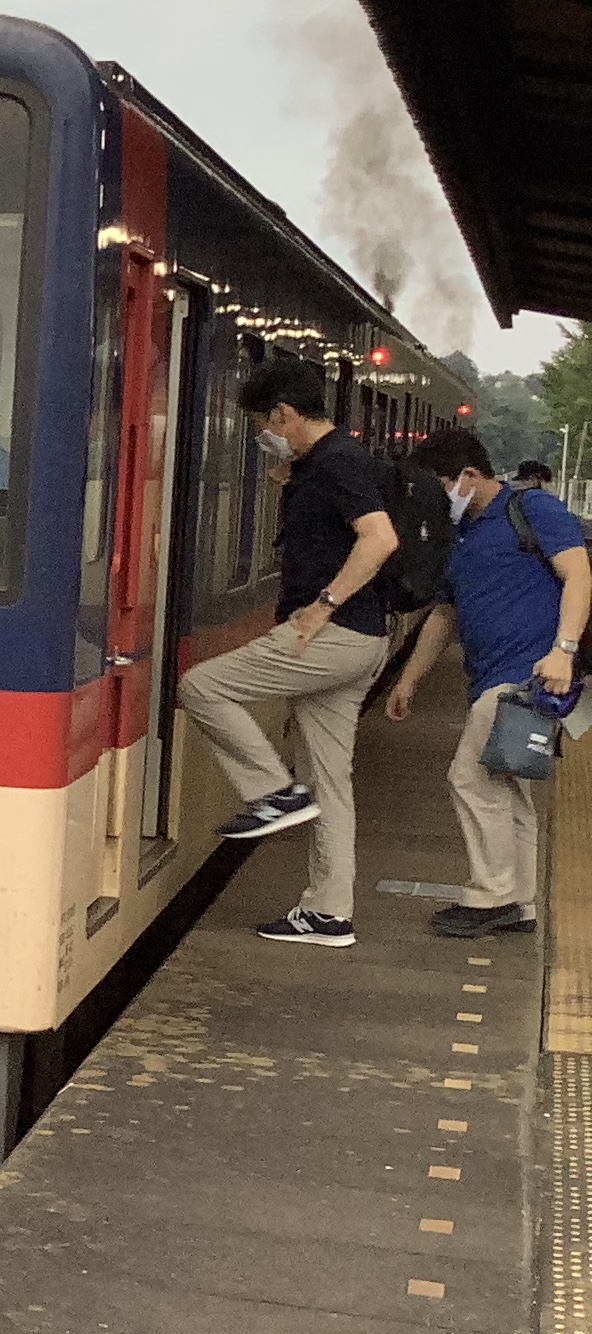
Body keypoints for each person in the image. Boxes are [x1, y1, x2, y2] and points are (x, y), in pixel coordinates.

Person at [175, 354, 399, 946]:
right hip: (360, 641)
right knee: (330, 783)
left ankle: (272, 794)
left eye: (263, 424)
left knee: (201, 685)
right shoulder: (321, 464)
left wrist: (324, 606)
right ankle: (328, 914)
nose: (261, 437)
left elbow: (380, 538)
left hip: (332, 635)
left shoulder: (338, 463)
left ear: (285, 413)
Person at [383, 428, 591, 936]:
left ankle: (490, 897)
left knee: (470, 777)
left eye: (440, 486)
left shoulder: (534, 511)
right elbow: (445, 612)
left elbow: (580, 575)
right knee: (503, 781)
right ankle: (519, 902)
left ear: (469, 477)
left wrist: (563, 652)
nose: (436, 499)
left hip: (529, 674)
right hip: (491, 677)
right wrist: (410, 677)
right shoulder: (465, 533)